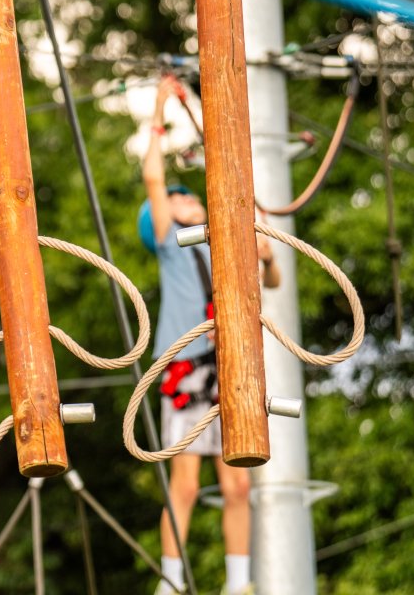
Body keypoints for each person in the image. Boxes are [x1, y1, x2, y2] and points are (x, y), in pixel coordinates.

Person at [140, 75, 281, 595]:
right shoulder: (171, 244)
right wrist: (159, 108)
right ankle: (172, 582)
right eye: (177, 200)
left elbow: (273, 280)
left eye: (187, 196)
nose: (184, 200)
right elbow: (154, 180)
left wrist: (265, 259)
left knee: (239, 480)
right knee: (185, 482)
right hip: (187, 370)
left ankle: (238, 583)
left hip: (227, 370)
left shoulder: (226, 245)